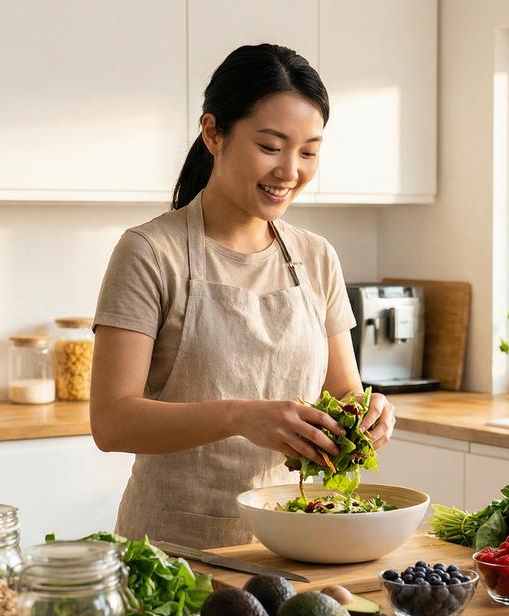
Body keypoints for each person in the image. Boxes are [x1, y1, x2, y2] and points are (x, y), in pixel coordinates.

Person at [89, 44, 396, 549]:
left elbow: (343, 395)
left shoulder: (316, 258)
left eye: (309, 151)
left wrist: (369, 416)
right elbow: (113, 422)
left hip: (293, 541)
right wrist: (239, 416)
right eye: (271, 147)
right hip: (175, 549)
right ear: (213, 133)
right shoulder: (149, 252)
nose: (290, 170)